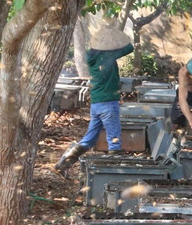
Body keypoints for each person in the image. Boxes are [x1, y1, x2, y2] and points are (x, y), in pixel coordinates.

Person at [56, 17, 134, 175]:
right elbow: (129, 48)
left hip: (96, 103)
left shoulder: (91, 57)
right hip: (108, 103)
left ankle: (63, 164)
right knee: (114, 142)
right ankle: (114, 176)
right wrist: (114, 35)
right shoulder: (108, 56)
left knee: (89, 139)